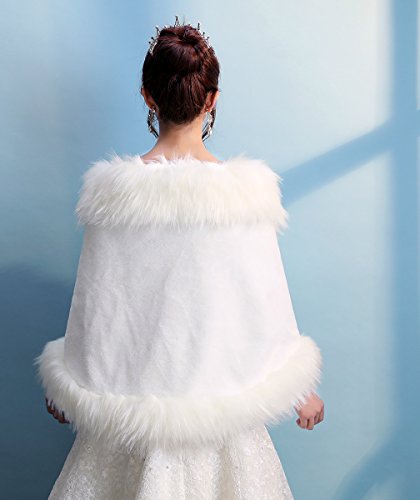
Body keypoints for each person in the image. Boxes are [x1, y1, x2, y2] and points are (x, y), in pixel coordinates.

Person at [34, 16, 324, 499]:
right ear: (212, 100)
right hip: (219, 421)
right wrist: (300, 390)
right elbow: (263, 300)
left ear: (148, 96)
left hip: (131, 429)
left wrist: (73, 384)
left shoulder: (113, 199)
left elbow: (99, 305)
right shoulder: (243, 198)